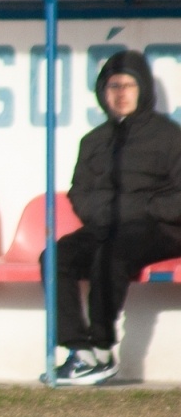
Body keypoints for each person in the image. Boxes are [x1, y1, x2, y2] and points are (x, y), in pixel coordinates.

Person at [46, 50, 181, 385]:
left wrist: (142, 210)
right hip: (105, 227)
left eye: (128, 85)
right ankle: (80, 352)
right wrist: (103, 214)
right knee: (56, 256)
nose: (121, 94)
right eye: (113, 86)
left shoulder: (170, 137)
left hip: (159, 228)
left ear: (143, 88)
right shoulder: (93, 141)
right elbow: (79, 192)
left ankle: (102, 349)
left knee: (111, 254)